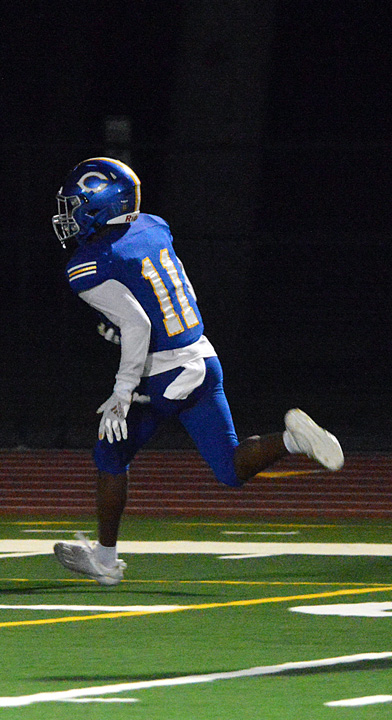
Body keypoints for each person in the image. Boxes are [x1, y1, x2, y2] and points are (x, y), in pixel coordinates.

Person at [49, 157, 343, 586]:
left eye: (76, 206)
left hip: (164, 376)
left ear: (102, 205)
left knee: (110, 455)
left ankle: (106, 563)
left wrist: (122, 390)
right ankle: (292, 440)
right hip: (202, 359)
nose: (68, 216)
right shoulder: (152, 226)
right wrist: (127, 336)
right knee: (230, 469)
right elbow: (163, 296)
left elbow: (137, 324)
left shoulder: (89, 263)